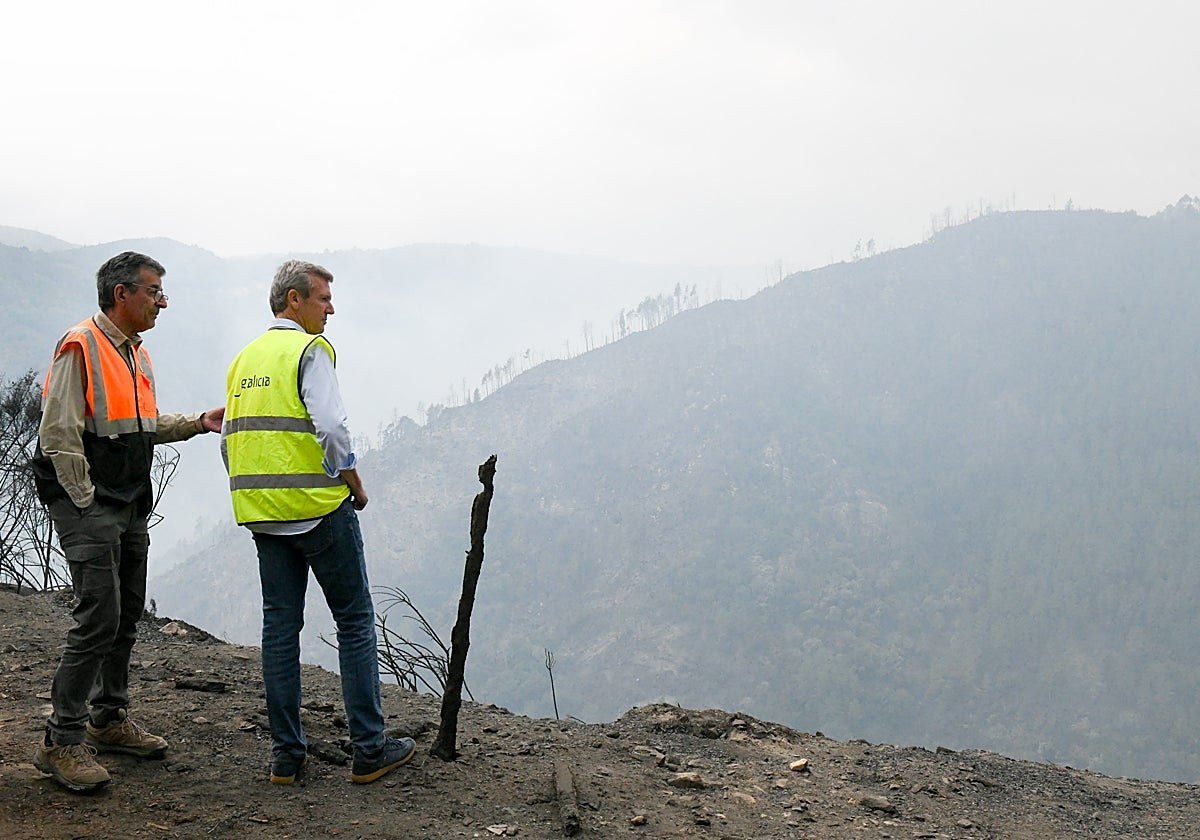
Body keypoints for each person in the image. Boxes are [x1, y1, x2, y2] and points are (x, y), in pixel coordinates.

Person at [30, 251, 225, 793]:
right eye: (154, 291)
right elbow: (59, 433)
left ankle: (107, 720)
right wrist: (86, 502)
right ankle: (60, 740)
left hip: (129, 500)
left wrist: (194, 423)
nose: (162, 301)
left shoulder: (135, 352)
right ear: (122, 294)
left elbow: (134, 425)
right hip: (94, 504)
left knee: (126, 614)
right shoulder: (82, 344)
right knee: (99, 616)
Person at [222, 260, 415, 785]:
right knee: (354, 621)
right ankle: (370, 750)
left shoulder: (245, 359)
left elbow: (230, 436)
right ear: (294, 301)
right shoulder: (310, 351)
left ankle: (287, 757)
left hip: (264, 518)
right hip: (318, 511)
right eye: (323, 298)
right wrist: (351, 481)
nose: (331, 308)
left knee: (280, 630)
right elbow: (331, 425)